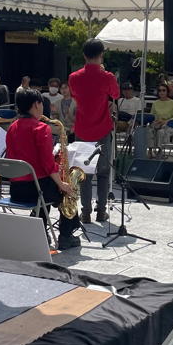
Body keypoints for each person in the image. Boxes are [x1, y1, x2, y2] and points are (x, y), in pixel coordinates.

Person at [6, 88, 79, 250]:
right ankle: (66, 235)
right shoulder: (41, 128)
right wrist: (62, 184)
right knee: (68, 190)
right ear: (36, 104)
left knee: (47, 185)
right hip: (37, 190)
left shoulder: (12, 127)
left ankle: (41, 231)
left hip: (16, 189)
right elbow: (47, 164)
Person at [69, 38, 119, 223]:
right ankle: (101, 211)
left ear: (84, 55)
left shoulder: (74, 77)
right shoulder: (107, 77)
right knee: (103, 172)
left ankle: (85, 212)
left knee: (84, 173)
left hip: (82, 129)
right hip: (103, 128)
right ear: (101, 55)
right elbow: (115, 95)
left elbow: (75, 96)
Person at [149, 82, 173, 154]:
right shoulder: (155, 103)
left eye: (163, 90)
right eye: (159, 90)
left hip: (168, 124)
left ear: (167, 91)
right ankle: (150, 150)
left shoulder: (172, 103)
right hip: (157, 123)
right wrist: (157, 120)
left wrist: (165, 122)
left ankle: (160, 150)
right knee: (149, 130)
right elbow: (152, 115)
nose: (161, 92)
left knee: (161, 132)